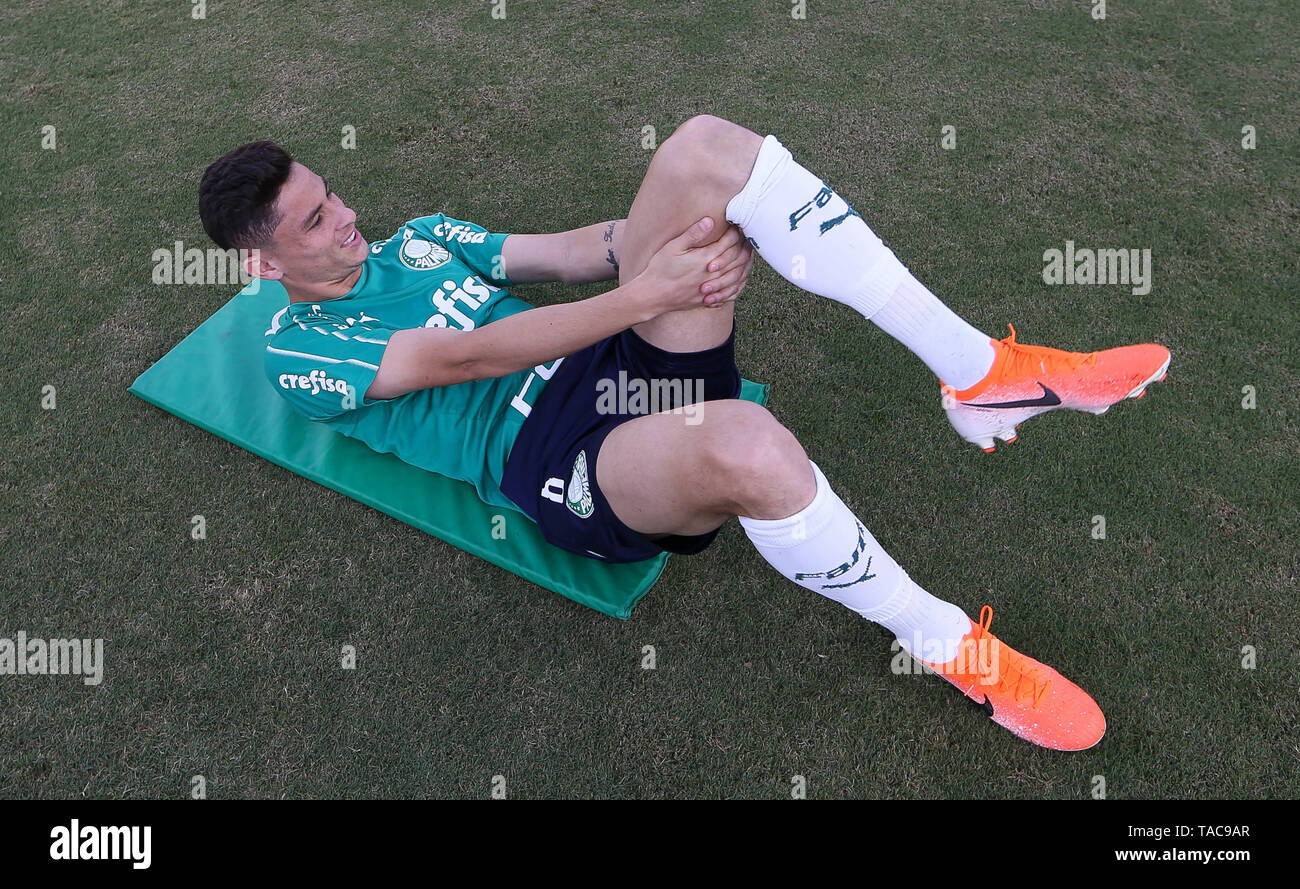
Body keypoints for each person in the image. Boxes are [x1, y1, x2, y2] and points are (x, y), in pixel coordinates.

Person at [198, 115, 1170, 750]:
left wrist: (676, 239)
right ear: (260, 262)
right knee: (747, 443)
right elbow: (464, 359)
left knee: (705, 150)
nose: (350, 218)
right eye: (318, 220)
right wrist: (643, 296)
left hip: (599, 367)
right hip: (555, 460)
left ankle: (981, 374)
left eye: (335, 196)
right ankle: (945, 641)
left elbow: (576, 251)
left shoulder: (415, 238)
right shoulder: (301, 353)